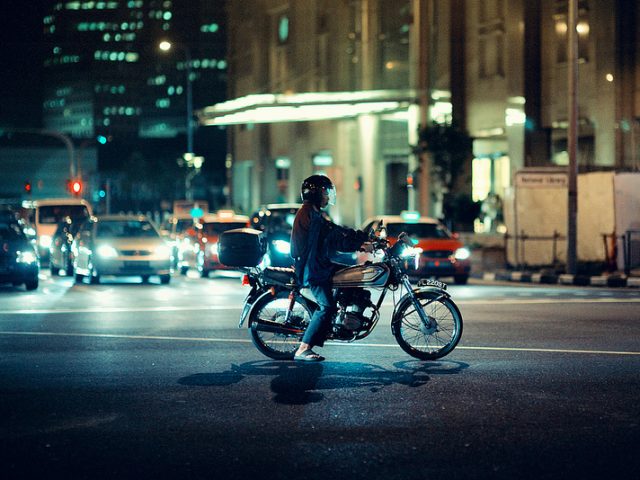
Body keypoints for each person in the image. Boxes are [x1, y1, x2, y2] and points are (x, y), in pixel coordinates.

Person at [290, 174, 371, 362]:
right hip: (313, 269)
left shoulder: (313, 212)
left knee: (354, 275)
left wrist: (362, 237)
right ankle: (303, 348)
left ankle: (345, 315)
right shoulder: (309, 214)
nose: (328, 196)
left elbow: (335, 230)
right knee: (326, 307)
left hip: (319, 264)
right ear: (316, 193)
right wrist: (359, 244)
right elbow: (334, 237)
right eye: (325, 192)